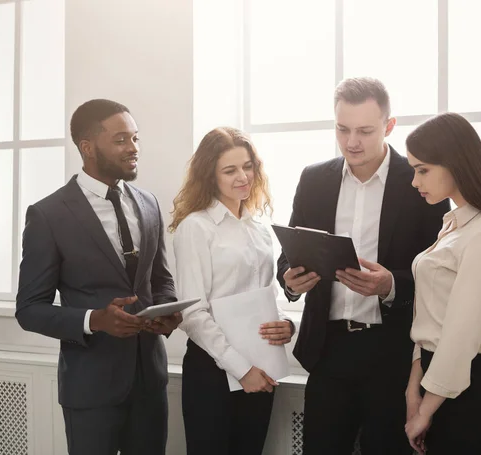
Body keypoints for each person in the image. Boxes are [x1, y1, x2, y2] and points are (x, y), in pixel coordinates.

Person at [277, 77, 450, 454]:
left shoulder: (421, 181)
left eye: (365, 131)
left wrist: (391, 286)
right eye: (342, 129)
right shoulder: (313, 179)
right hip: (328, 350)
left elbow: (443, 275)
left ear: (389, 126)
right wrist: (291, 280)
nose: (351, 141)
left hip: (393, 352)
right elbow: (288, 254)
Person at [15, 99, 180, 455]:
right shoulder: (48, 215)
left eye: (136, 138)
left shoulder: (149, 203)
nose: (134, 148)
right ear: (87, 148)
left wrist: (167, 310)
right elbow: (28, 309)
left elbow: (160, 279)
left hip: (150, 382)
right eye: (121, 140)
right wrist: (95, 320)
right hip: (90, 387)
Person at [169, 127, 295, 455]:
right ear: (210, 176)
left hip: (261, 364)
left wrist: (285, 323)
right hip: (213, 370)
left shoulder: (260, 229)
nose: (243, 176)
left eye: (248, 166)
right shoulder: (195, 228)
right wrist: (242, 370)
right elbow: (192, 314)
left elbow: (266, 294)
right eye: (230, 170)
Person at [404, 112, 481, 455]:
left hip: (468, 399)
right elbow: (426, 320)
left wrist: (425, 410)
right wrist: (413, 392)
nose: (415, 181)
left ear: (455, 163)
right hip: (434, 388)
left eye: (422, 169)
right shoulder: (453, 226)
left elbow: (460, 335)